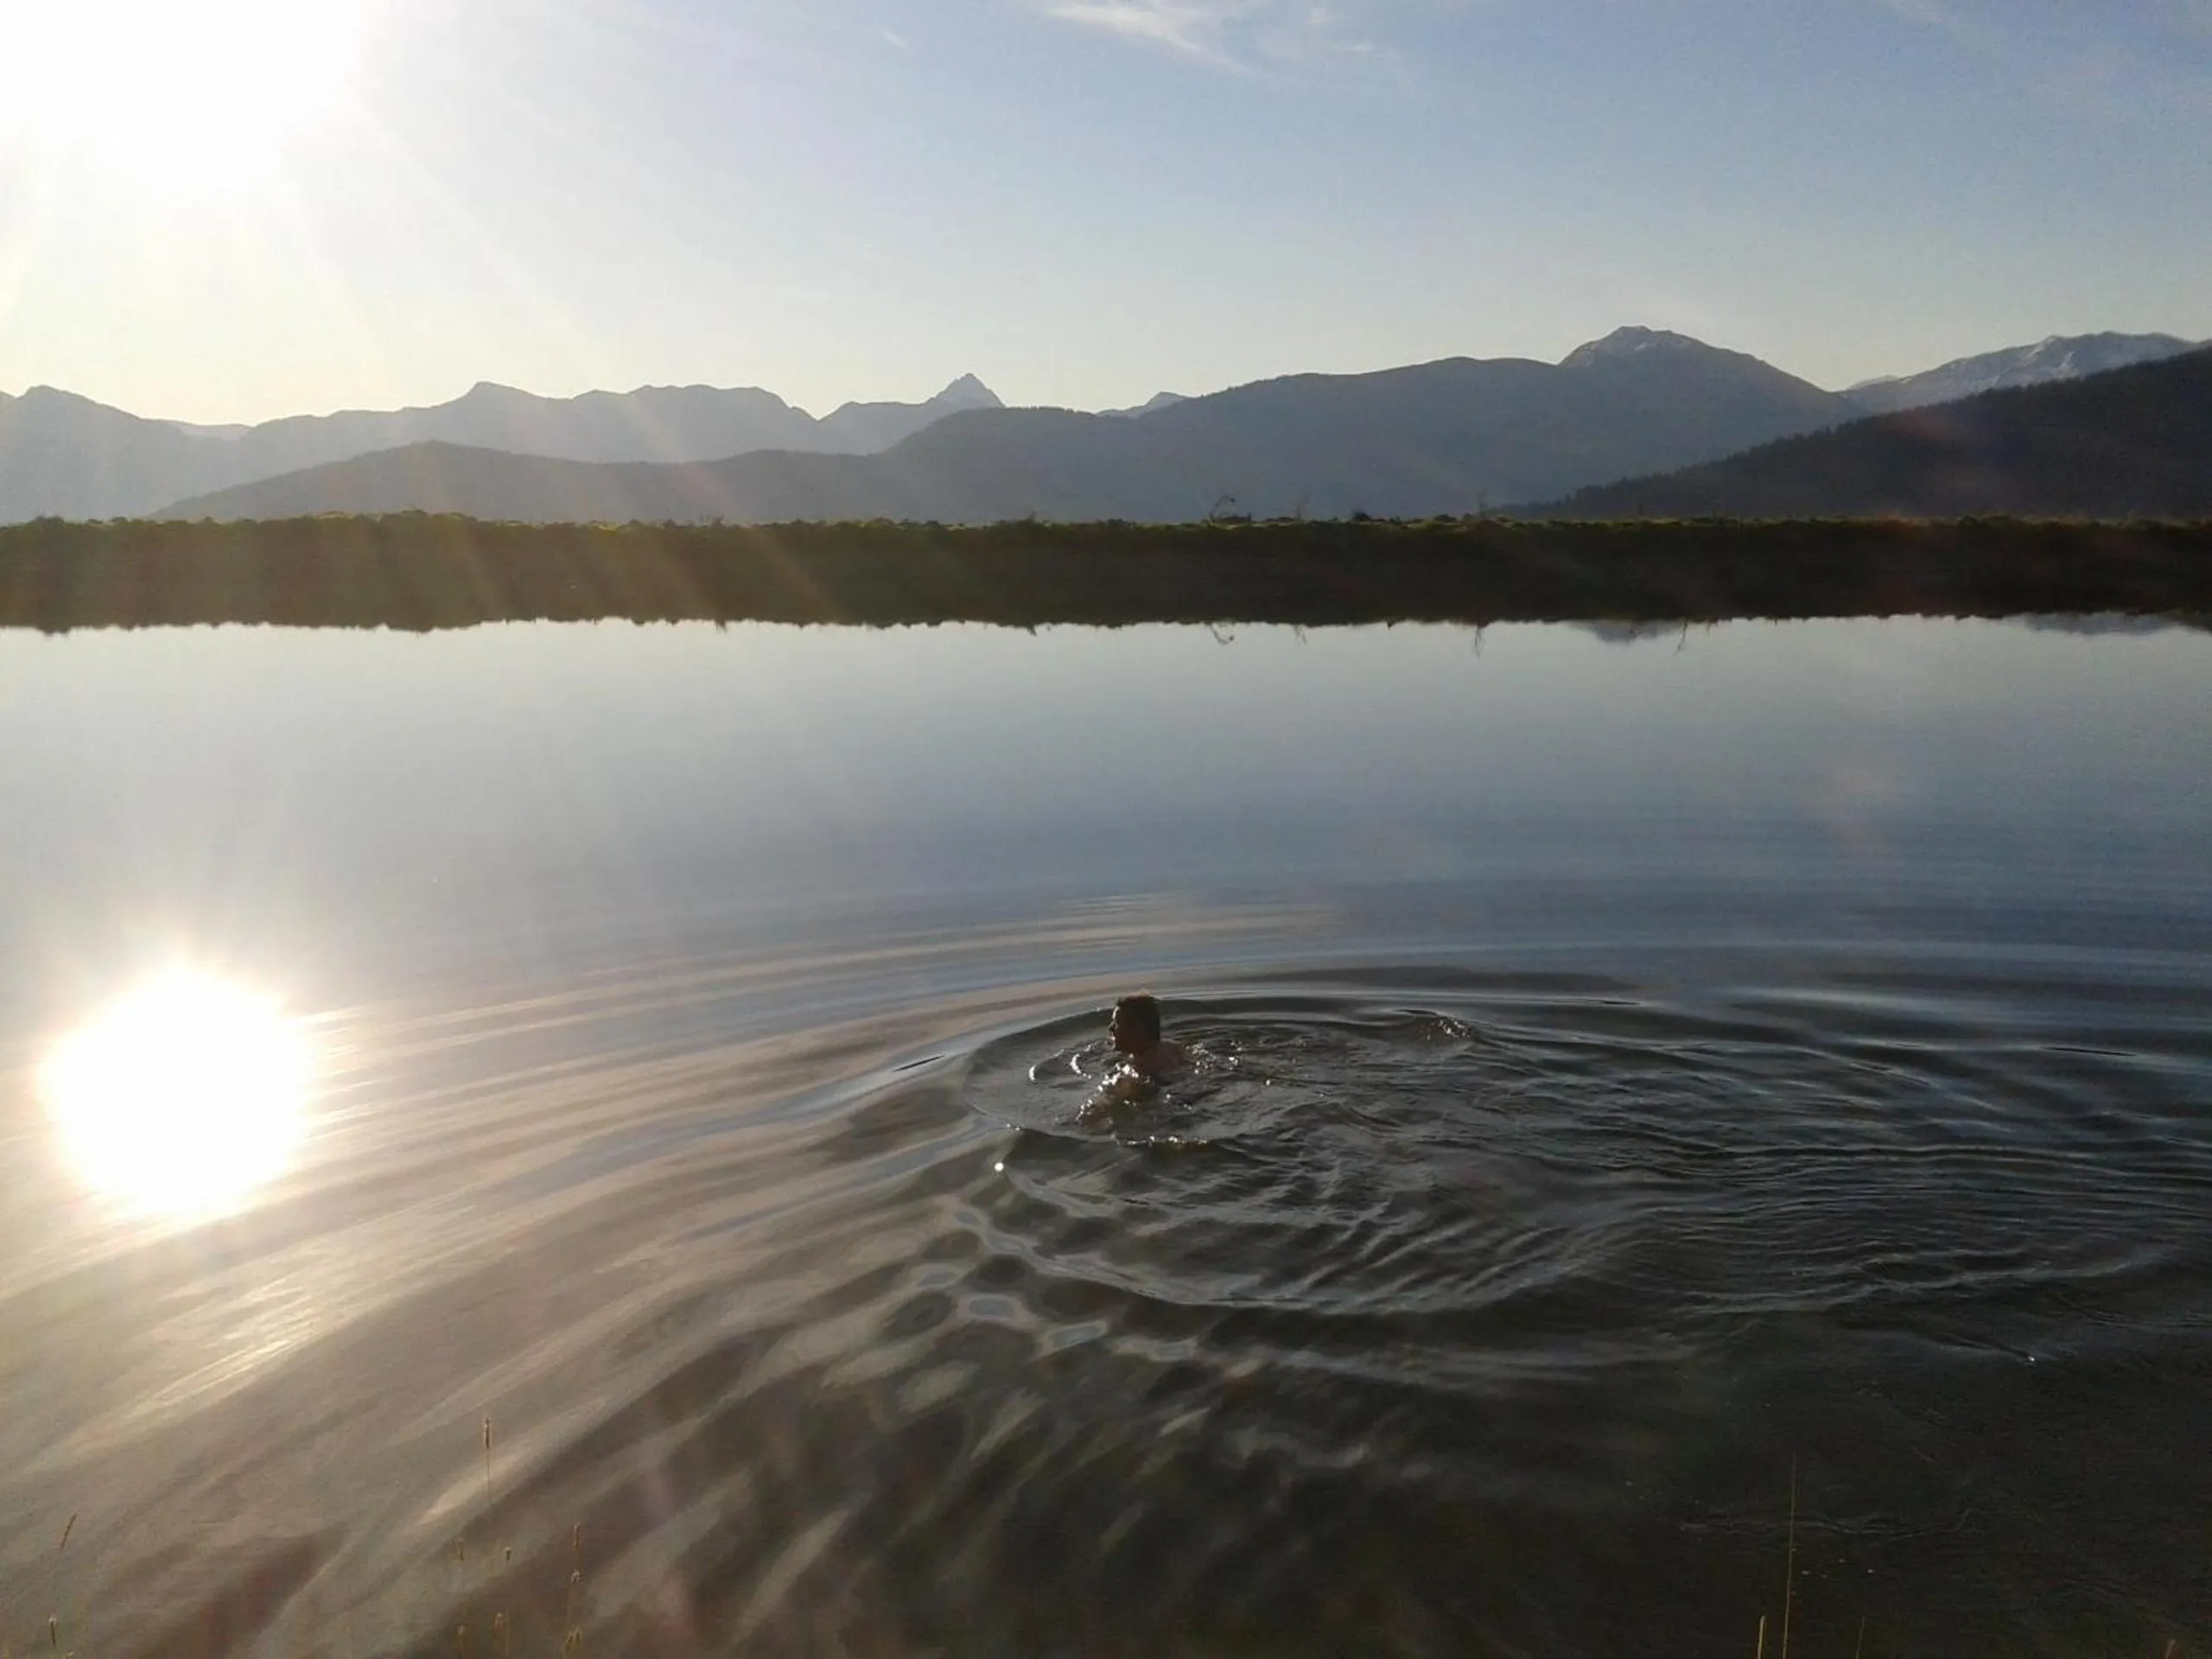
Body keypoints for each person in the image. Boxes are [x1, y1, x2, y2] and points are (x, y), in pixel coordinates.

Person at [1108, 993, 1190, 1082]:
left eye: (1117, 1023)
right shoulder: (1174, 1048)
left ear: (1137, 1029)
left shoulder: (1141, 1070)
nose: (1111, 1028)